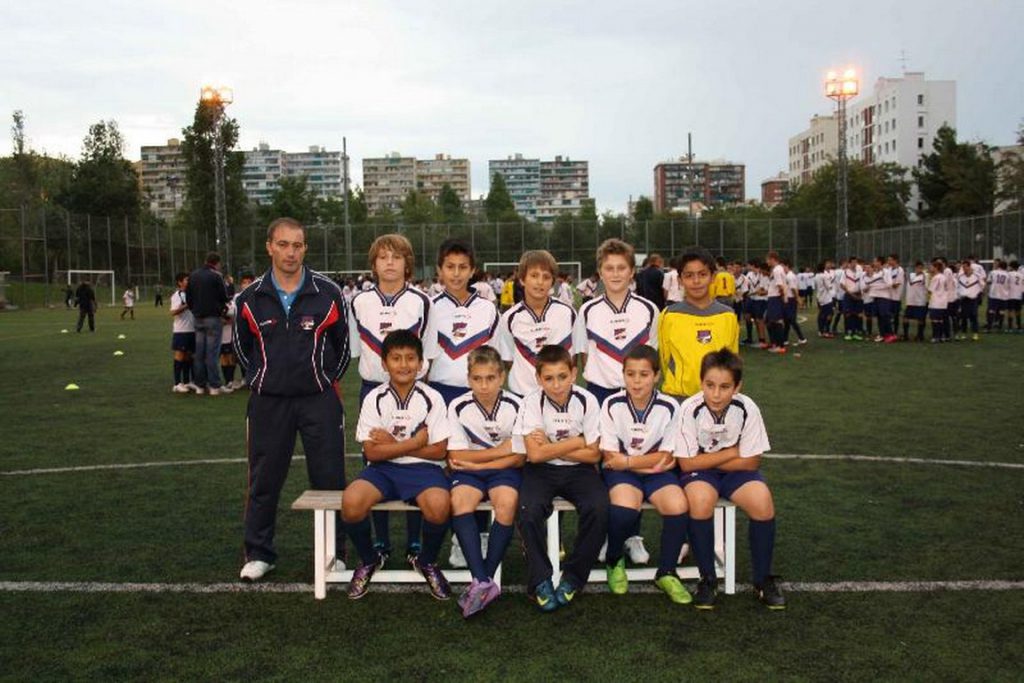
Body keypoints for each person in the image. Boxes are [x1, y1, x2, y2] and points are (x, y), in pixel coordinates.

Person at [233, 217, 351, 582]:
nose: (290, 252)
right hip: (268, 404)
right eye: (283, 244)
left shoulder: (328, 292)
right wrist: (265, 380)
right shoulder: (249, 298)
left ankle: (334, 553)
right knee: (264, 479)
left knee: (330, 477)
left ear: (305, 249)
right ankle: (259, 553)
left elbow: (342, 348)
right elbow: (243, 350)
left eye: (297, 245)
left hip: (319, 400)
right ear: (269, 246)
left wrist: (320, 380)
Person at [342, 330, 452, 600]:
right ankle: (369, 560)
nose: (404, 365)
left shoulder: (433, 397)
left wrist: (392, 444)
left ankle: (426, 561)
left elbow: (440, 451)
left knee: (439, 506)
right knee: (351, 502)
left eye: (411, 358)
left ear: (421, 363)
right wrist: (414, 443)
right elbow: (372, 452)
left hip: (424, 470)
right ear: (384, 363)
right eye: (396, 358)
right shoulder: (374, 398)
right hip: (383, 470)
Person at [677, 349, 785, 610]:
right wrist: (731, 452)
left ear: (737, 387)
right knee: (700, 501)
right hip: (702, 474)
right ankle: (707, 578)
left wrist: (708, 458)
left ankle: (762, 580)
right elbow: (687, 464)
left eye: (725, 387)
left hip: (737, 472)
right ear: (701, 382)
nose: (716, 394)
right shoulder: (689, 409)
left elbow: (752, 462)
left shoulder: (747, 408)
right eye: (710, 385)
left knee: (762, 501)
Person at [574, 238, 659, 565]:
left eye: (621, 267)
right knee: (600, 467)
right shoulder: (587, 310)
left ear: (632, 271)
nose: (615, 273)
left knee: (635, 461)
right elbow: (583, 355)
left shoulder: (648, 309)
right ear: (599, 271)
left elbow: (651, 357)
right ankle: (603, 534)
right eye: (608, 268)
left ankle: (631, 534)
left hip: (636, 396)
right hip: (599, 395)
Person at [348, 233, 431, 565]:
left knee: (416, 462)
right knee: (375, 463)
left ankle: (414, 542)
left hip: (413, 392)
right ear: (373, 264)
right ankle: (380, 540)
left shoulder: (422, 302)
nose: (390, 263)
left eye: (396, 257)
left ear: (407, 264)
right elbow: (356, 350)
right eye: (383, 257)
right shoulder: (358, 301)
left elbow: (429, 353)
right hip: (372, 391)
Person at [421, 238, 500, 568]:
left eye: (462, 267)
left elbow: (496, 357)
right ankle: (454, 536)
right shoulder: (428, 307)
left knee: (478, 464)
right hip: (440, 396)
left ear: (473, 270)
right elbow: (424, 358)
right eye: (450, 267)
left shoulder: (487, 308)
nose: (456, 273)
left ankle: (478, 533)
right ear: (439, 270)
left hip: (477, 398)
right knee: (447, 468)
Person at [514, 344, 607, 612]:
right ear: (538, 379)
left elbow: (594, 455)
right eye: (549, 378)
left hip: (580, 470)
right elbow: (534, 455)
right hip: (541, 471)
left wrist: (552, 445)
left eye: (562, 377)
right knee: (528, 510)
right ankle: (540, 579)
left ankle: (573, 578)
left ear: (574, 373)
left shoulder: (587, 400)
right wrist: (576, 442)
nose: (556, 385)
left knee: (599, 508)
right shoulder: (530, 402)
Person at [599, 344, 691, 604]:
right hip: (626, 473)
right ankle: (614, 559)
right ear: (623, 375)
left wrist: (628, 461)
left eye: (644, 374)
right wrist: (640, 463)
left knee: (677, 506)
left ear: (656, 375)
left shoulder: (670, 406)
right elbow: (609, 455)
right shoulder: (611, 404)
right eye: (630, 374)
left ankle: (667, 571)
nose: (636, 381)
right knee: (625, 508)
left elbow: (667, 456)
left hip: (652, 472)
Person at [446, 347, 524, 617]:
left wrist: (480, 461)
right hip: (470, 471)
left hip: (502, 470)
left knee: (507, 503)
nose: (484, 385)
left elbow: (519, 458)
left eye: (490, 378)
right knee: (459, 501)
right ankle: (482, 580)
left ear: (502, 377)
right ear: (468, 379)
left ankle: (483, 579)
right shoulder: (458, 406)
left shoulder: (517, 405)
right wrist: (501, 450)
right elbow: (456, 456)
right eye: (477, 378)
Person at [658, 246, 739, 400]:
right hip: (679, 397)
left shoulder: (727, 315)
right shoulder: (669, 315)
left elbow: (732, 359)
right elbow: (664, 359)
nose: (696, 281)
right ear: (680, 280)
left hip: (717, 398)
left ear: (712, 277)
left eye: (702, 274)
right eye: (689, 275)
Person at [495, 250, 576, 397]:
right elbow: (508, 359)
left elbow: (574, 355)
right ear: (522, 279)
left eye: (546, 277)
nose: (540, 282)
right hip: (523, 396)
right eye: (534, 275)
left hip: (561, 396)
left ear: (552, 282)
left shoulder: (567, 313)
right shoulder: (509, 318)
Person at [187, 252, 229, 395]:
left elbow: (189, 298)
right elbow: (223, 297)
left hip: (198, 318)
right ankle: (214, 385)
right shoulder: (216, 276)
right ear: (217, 263)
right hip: (213, 318)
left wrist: (195, 310)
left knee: (199, 353)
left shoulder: (193, 275)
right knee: (212, 353)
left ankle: (200, 385)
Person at [170, 272, 195, 393]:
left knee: (189, 356)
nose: (188, 282)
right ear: (179, 282)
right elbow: (173, 312)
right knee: (180, 355)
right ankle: (177, 383)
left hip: (192, 329)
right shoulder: (177, 295)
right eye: (186, 280)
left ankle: (187, 381)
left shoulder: (192, 294)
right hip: (181, 331)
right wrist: (186, 306)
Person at [955, 261, 983, 341]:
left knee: (974, 317)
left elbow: (982, 285)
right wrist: (959, 295)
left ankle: (975, 334)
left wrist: (977, 293)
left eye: (965, 267)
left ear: (969, 267)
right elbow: (957, 287)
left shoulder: (976, 276)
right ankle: (964, 333)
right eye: (963, 267)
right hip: (963, 300)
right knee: (964, 317)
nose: (964, 268)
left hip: (973, 299)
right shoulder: (960, 276)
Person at [902, 261, 928, 342]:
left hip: (920, 301)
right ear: (915, 268)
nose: (919, 269)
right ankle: (905, 335)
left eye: (921, 268)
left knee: (920, 319)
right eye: (918, 268)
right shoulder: (911, 275)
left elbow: (912, 282)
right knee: (905, 318)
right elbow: (907, 278)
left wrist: (924, 273)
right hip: (910, 301)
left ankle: (920, 335)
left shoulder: (924, 276)